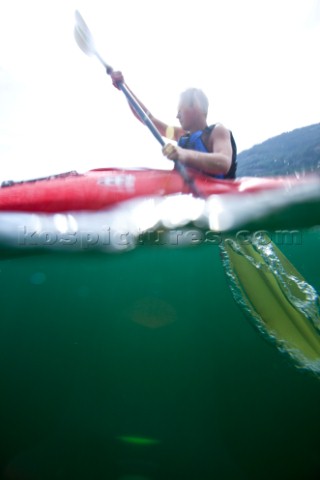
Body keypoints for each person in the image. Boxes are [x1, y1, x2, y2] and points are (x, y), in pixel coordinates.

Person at [110, 71, 237, 179]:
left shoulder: (217, 131)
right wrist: (124, 88)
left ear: (196, 106)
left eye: (180, 110)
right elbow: (149, 120)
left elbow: (224, 162)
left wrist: (184, 154)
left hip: (218, 199)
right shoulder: (179, 134)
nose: (177, 116)